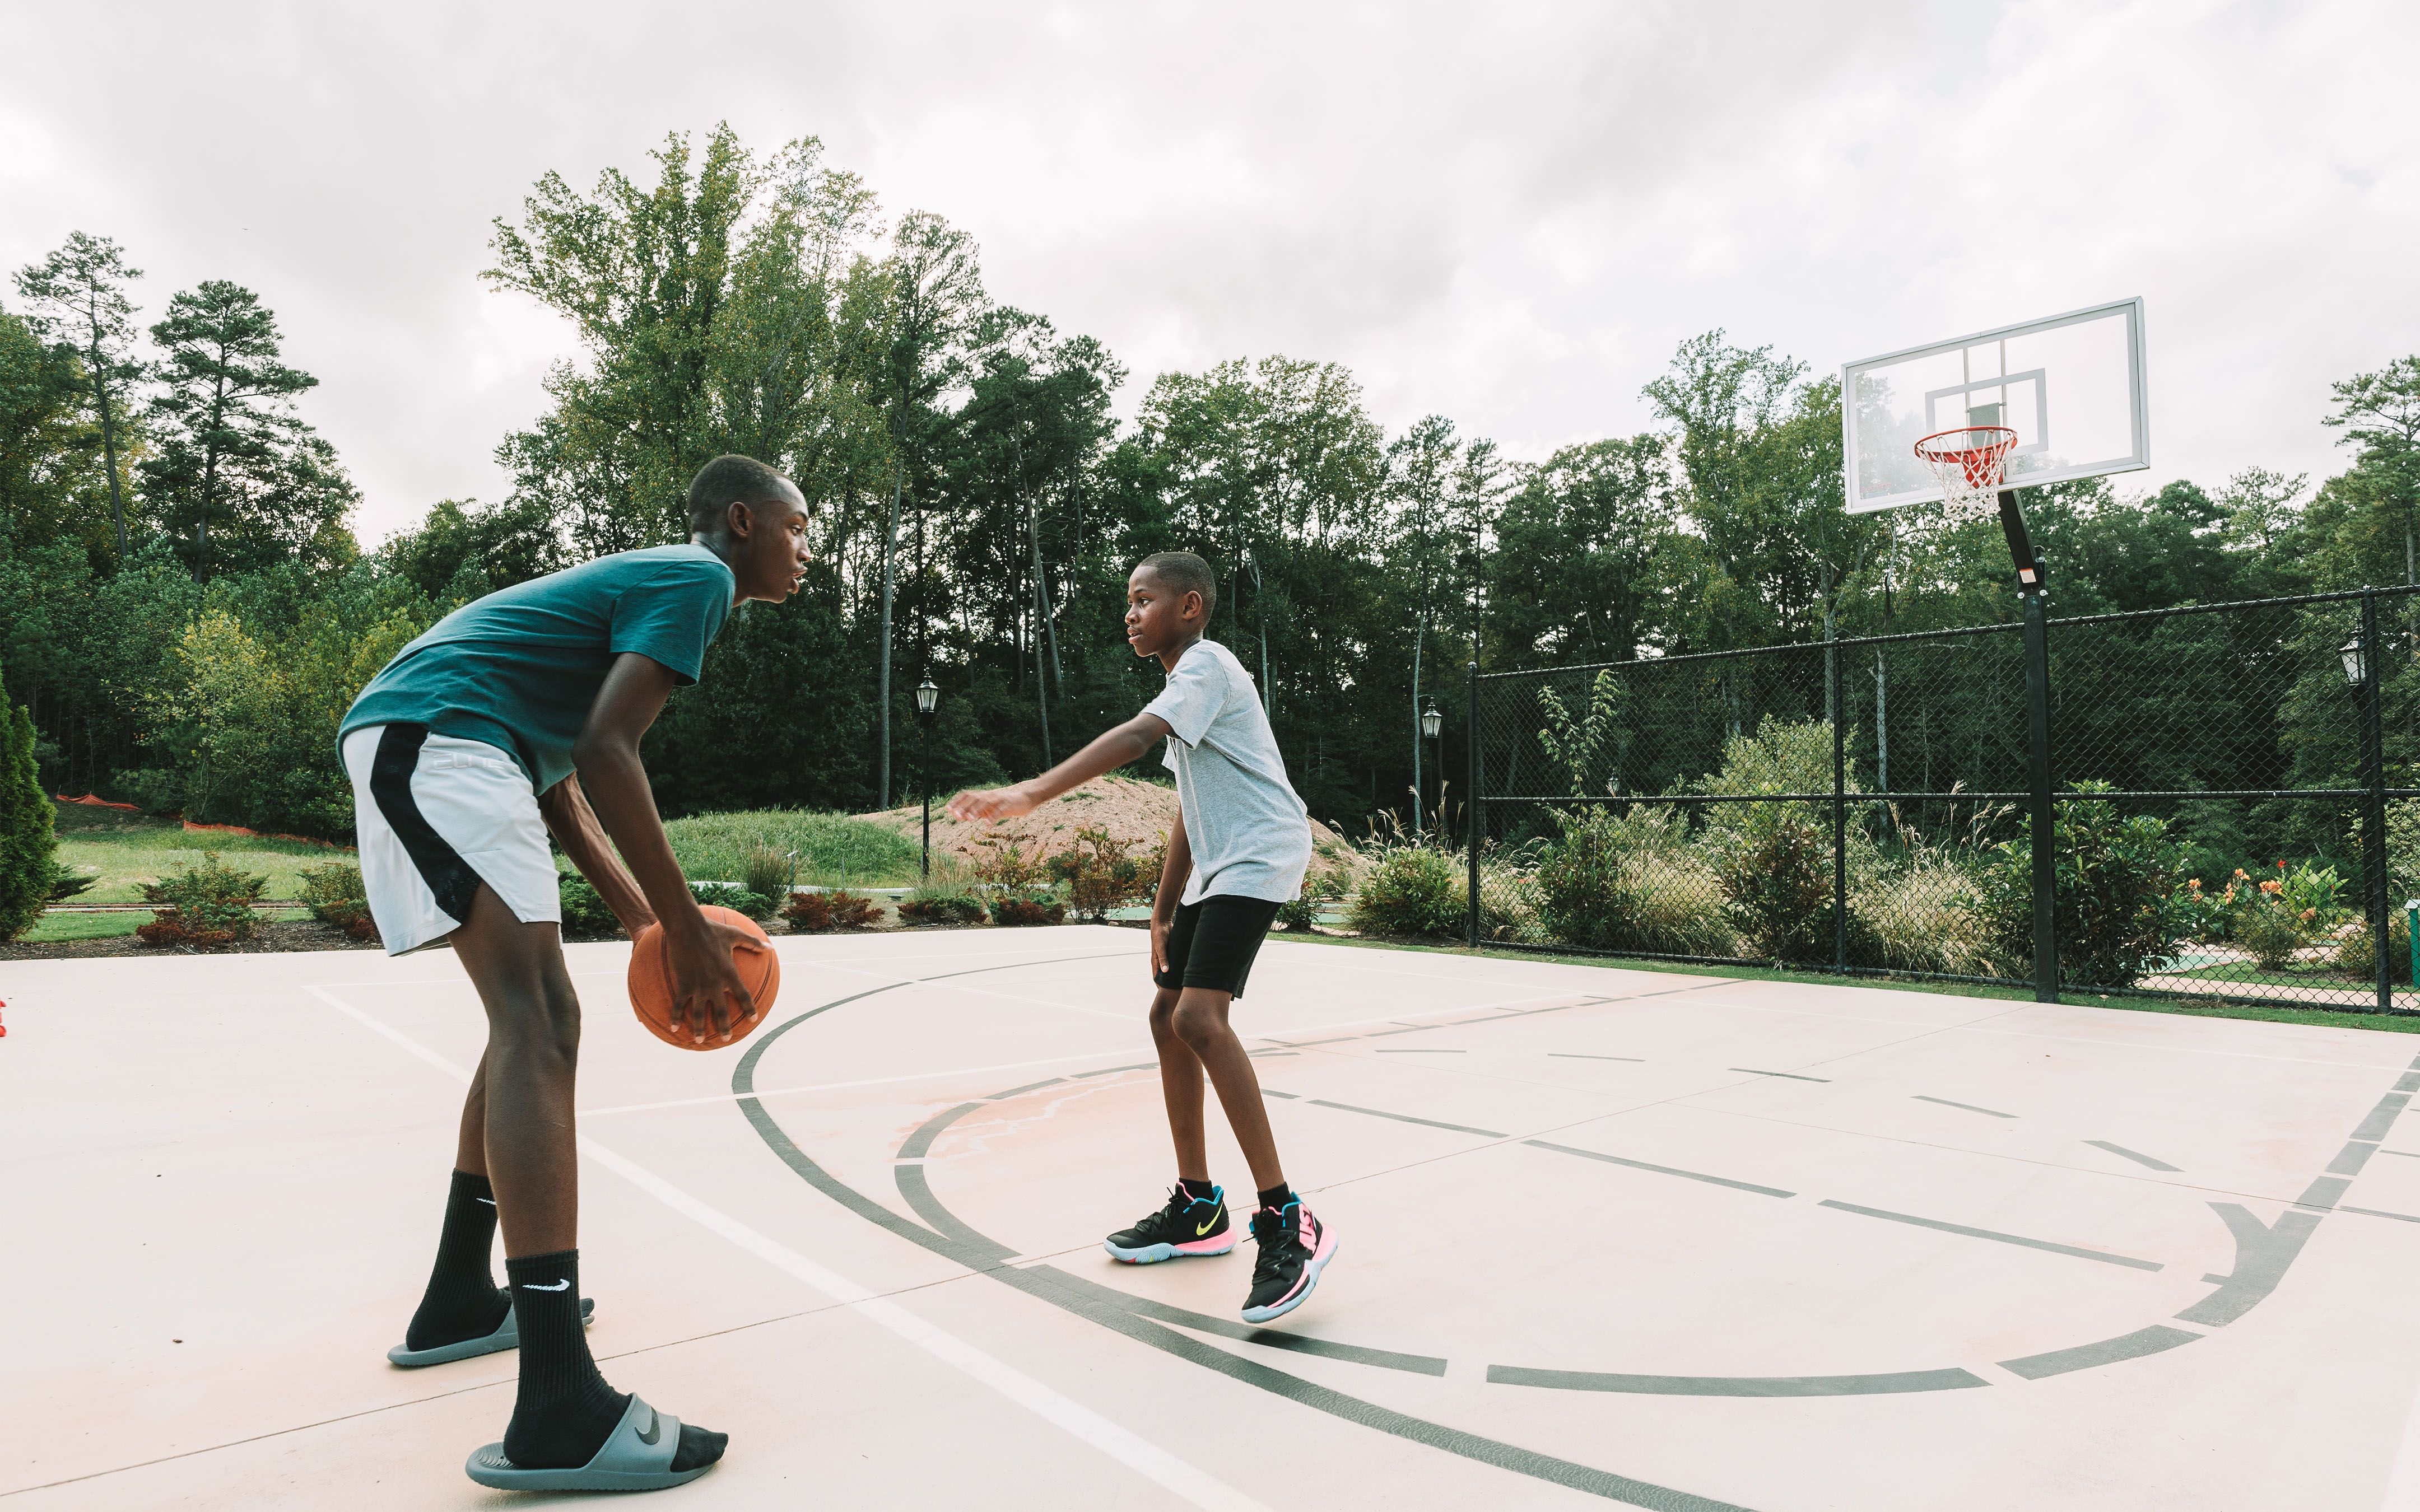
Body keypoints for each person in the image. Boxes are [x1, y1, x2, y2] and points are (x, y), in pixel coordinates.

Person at [339, 455, 812, 1491]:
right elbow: (608, 748)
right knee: (541, 1025)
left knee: (529, 1024)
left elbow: (564, 785)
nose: (805, 551)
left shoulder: (635, 586)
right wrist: (686, 928)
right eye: (797, 528)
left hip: (447, 740)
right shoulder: (700, 582)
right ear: (742, 523)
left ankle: (462, 1299)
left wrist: (649, 925)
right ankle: (559, 1404)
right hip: (438, 741)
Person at [948, 550, 1337, 1323]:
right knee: (1166, 1018)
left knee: (1199, 1018)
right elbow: (1190, 806)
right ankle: (1199, 1206)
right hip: (1217, 862)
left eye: (1142, 600)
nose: (1129, 613)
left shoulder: (1208, 667)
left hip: (1259, 852)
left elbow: (1133, 737)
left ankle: (1286, 1218)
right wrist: (1162, 909)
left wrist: (1033, 790)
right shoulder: (1186, 686)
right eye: (1127, 602)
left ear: (1188, 607)